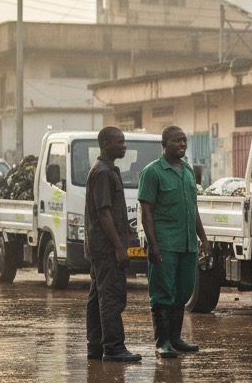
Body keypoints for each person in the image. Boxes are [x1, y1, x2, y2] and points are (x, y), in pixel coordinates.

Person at [138, 125, 208, 359]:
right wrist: (153, 244)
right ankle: (162, 342)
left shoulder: (187, 170)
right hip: (165, 243)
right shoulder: (152, 172)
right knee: (162, 293)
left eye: (184, 141)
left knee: (183, 291)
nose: (182, 145)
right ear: (164, 144)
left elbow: (193, 208)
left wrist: (203, 238)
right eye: (177, 141)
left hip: (187, 244)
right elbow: (146, 212)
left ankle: (176, 339)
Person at [85, 126, 142, 363]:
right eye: (119, 142)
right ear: (105, 145)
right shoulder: (102, 172)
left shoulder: (110, 170)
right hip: (106, 248)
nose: (124, 146)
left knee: (98, 295)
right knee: (111, 297)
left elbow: (114, 214)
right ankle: (114, 348)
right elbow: (104, 213)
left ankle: (96, 347)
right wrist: (119, 247)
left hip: (104, 245)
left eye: (124, 142)